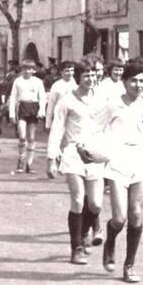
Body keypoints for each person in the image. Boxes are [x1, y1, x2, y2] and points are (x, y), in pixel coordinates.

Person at [79, 61, 143, 283]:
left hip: (139, 162)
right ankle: (110, 239)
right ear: (124, 82)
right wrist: (83, 146)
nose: (138, 85)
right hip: (117, 162)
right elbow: (93, 127)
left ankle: (129, 265)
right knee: (120, 217)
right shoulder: (113, 104)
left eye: (142, 80)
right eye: (134, 80)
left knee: (136, 214)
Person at [47, 60, 107, 264]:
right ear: (78, 78)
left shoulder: (102, 100)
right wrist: (51, 158)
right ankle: (76, 248)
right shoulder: (67, 101)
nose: (91, 79)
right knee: (79, 199)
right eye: (86, 76)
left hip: (96, 155)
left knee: (96, 204)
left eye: (93, 75)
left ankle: (82, 233)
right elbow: (57, 129)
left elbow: (108, 128)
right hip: (73, 153)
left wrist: (109, 154)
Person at [7, 59, 46, 174]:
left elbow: (42, 97)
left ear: (34, 70)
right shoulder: (18, 81)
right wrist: (11, 114)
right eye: (25, 69)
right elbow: (13, 97)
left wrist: (41, 111)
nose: (27, 71)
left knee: (32, 138)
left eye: (30, 69)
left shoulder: (38, 82)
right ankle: (21, 159)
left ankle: (29, 163)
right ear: (22, 69)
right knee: (22, 136)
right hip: (22, 107)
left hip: (33, 108)